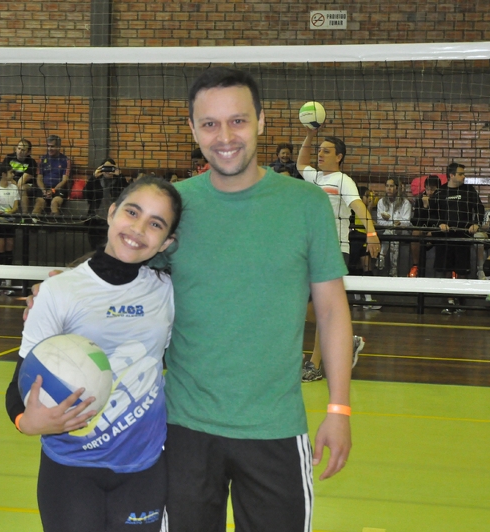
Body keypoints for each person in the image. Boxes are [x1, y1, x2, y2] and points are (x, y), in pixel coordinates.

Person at [26, 68, 354, 531]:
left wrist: (338, 409)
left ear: (261, 121)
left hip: (275, 428)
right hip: (182, 431)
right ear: (194, 130)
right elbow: (122, 260)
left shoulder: (306, 204)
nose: (225, 137)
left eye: (238, 121)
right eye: (210, 124)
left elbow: (332, 310)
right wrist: (62, 284)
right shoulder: (174, 207)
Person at [6, 176, 181, 532]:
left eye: (156, 224)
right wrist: (26, 422)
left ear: (167, 242)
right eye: (132, 212)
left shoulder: (168, 290)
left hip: (143, 468)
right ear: (112, 213)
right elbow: (18, 385)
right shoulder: (59, 291)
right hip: (70, 469)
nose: (138, 229)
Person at [297, 130, 376, 382]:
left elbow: (358, 206)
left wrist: (371, 233)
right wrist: (310, 135)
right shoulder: (315, 177)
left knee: (323, 309)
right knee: (304, 309)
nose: (320, 154)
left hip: (334, 249)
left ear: (339, 156)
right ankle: (346, 340)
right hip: (310, 251)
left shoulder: (343, 180)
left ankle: (314, 365)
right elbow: (300, 163)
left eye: (326, 151)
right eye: (319, 150)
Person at [429, 162, 484, 314]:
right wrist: (439, 224)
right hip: (445, 237)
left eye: (464, 174)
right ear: (451, 175)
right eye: (460, 174)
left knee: (462, 270)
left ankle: (461, 300)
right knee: (445, 269)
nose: (463, 176)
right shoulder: (440, 192)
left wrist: (476, 224)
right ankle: (448, 300)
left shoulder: (469, 191)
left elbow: (479, 208)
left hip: (463, 236)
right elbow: (431, 214)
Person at [376, 177, 412, 277]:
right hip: (387, 230)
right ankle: (394, 269)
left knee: (392, 233)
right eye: (387, 186)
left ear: (397, 188)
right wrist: (392, 224)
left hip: (402, 230)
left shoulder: (405, 203)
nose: (389, 188)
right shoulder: (381, 202)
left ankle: (382, 256)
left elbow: (406, 222)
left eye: (391, 186)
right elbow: (379, 221)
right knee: (391, 233)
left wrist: (397, 224)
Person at [408, 175, 441, 277]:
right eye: (427, 189)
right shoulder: (420, 200)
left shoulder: (441, 200)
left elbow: (440, 218)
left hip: (437, 229)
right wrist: (425, 207)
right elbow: (416, 220)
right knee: (415, 233)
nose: (429, 192)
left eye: (432, 189)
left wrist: (433, 231)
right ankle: (415, 266)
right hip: (423, 229)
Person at [34, 135, 71, 216]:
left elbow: (65, 180)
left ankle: (54, 222)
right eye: (48, 146)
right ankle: (34, 222)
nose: (49, 149)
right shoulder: (42, 159)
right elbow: (39, 179)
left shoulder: (65, 160)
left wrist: (53, 190)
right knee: (39, 203)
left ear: (58, 147)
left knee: (54, 203)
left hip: (58, 189)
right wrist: (44, 190)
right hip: (44, 188)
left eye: (52, 146)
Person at [2, 139, 38, 214]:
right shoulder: (9, 158)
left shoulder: (32, 162)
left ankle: (25, 215)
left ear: (28, 152)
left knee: (21, 188)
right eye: (19, 148)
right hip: (10, 182)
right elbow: (4, 175)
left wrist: (12, 184)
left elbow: (21, 182)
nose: (20, 151)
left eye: (23, 150)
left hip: (26, 185)